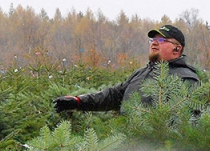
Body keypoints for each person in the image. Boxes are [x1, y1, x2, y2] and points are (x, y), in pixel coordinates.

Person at [53, 24, 200, 113]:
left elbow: (188, 123)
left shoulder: (186, 78)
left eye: (161, 40)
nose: (154, 43)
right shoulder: (141, 74)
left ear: (177, 48)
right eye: (152, 40)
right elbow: (113, 96)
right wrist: (78, 102)